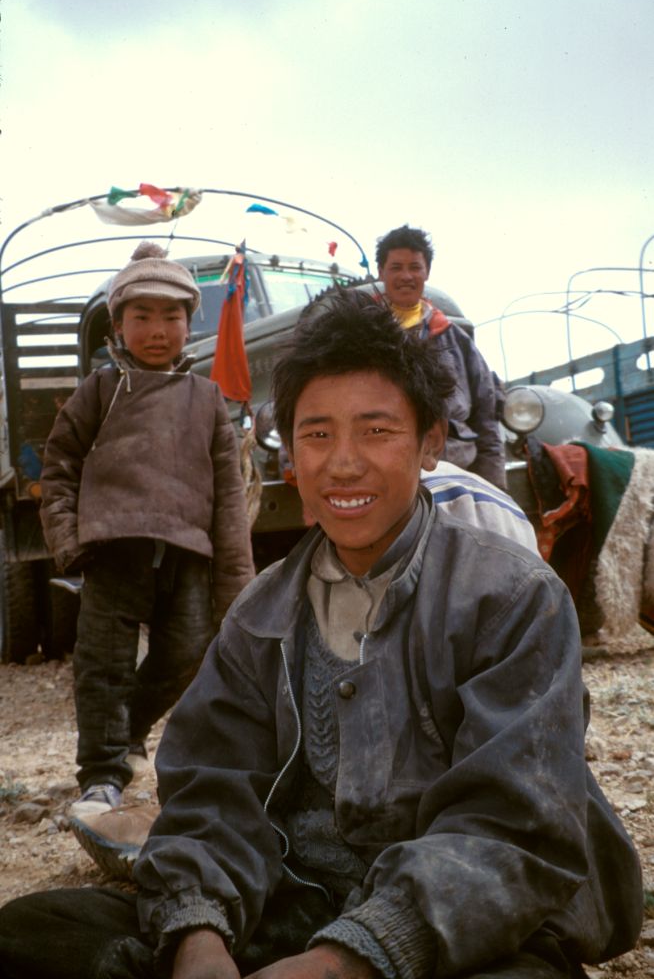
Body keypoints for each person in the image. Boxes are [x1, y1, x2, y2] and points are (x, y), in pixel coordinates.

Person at [0, 291, 642, 979]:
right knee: (34, 931)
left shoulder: (512, 597)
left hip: (454, 930)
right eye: (316, 434)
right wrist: (199, 937)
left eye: (375, 431)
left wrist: (345, 963)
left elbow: (513, 830)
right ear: (289, 453)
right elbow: (212, 794)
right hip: (295, 908)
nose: (342, 463)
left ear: (430, 442)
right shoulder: (262, 614)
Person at [38, 241, 255, 818]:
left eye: (171, 316)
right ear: (118, 324)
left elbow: (229, 496)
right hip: (113, 552)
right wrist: (68, 541)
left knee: (186, 653)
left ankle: (127, 733)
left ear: (189, 323)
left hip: (186, 554)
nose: (157, 330)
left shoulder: (206, 399)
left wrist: (235, 583)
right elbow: (58, 469)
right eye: (142, 317)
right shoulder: (100, 392)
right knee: (103, 666)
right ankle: (103, 776)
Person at [376, 224, 506, 489]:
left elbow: (486, 415)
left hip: (454, 473)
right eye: (396, 267)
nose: (406, 276)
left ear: (427, 272)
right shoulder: (360, 334)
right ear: (381, 272)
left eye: (415, 267)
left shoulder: (456, 339)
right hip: (384, 475)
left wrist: (495, 487)